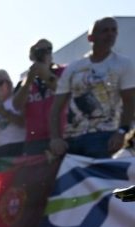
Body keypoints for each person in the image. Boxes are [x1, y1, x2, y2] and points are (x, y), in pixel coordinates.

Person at [50, 17, 135, 159]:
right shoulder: (73, 68)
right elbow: (56, 107)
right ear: (91, 37)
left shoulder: (124, 64)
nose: (110, 34)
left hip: (105, 137)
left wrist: (121, 132)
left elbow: (130, 102)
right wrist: (55, 138)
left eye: (114, 30)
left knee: (104, 180)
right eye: (105, 30)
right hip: (71, 140)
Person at [13, 39, 66, 155]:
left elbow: (64, 91)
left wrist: (46, 75)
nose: (45, 53)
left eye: (48, 50)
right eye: (39, 51)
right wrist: (28, 82)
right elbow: (16, 105)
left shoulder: (63, 72)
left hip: (61, 135)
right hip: (35, 141)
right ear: (32, 56)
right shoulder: (24, 82)